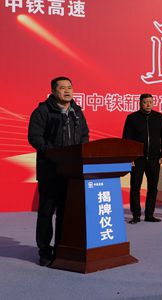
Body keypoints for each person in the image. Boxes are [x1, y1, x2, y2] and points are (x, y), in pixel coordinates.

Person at [28, 77, 90, 266]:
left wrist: (80, 153)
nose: (67, 91)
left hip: (71, 171)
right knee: (47, 212)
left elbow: (84, 135)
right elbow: (35, 137)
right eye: (62, 88)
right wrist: (55, 154)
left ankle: (61, 248)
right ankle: (45, 251)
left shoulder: (76, 111)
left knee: (66, 212)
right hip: (50, 170)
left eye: (70, 87)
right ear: (54, 91)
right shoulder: (43, 111)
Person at [122, 94, 162, 223]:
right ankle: (136, 215)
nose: (148, 104)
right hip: (138, 159)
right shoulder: (132, 118)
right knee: (135, 187)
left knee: (153, 188)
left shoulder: (159, 117)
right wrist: (129, 157)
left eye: (150, 102)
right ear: (140, 103)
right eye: (145, 102)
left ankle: (149, 214)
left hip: (154, 159)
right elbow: (126, 139)